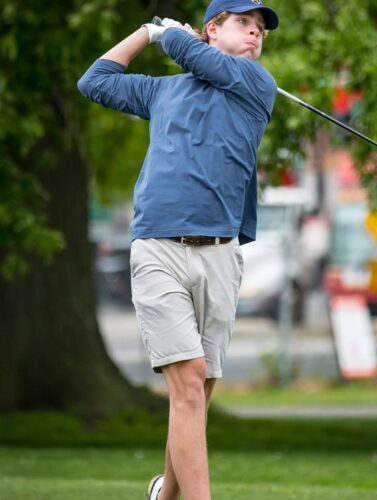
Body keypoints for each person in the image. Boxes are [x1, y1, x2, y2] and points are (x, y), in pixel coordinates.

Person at [77, 0, 279, 498]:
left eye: (261, 31)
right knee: (188, 383)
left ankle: (165, 492)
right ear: (213, 28)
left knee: (197, 392)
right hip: (158, 247)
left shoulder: (257, 86)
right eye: (244, 24)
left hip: (220, 252)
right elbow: (95, 80)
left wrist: (174, 38)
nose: (255, 35)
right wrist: (148, 32)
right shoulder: (163, 90)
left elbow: (199, 59)